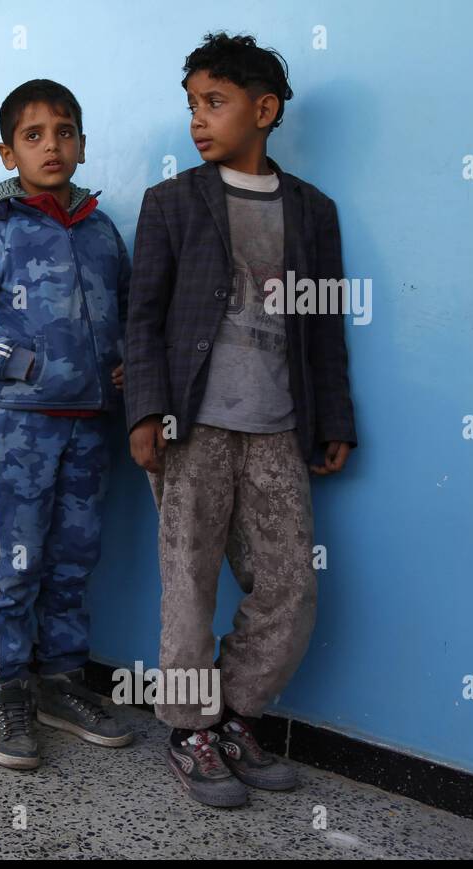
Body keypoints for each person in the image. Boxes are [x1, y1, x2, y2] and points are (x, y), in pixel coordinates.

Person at [126, 33, 357, 806]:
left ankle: (234, 717)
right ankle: (189, 731)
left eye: (215, 103)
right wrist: (145, 413)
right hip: (190, 427)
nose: (199, 119)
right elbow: (144, 319)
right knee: (186, 584)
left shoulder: (312, 212)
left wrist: (334, 417)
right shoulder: (173, 203)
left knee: (291, 585)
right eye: (192, 104)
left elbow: (323, 328)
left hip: (276, 426)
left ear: (264, 110)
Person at [0, 79, 134, 768]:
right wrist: (22, 365)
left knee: (74, 559)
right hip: (20, 427)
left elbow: (131, 317)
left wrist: (123, 368)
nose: (52, 145)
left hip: (89, 427)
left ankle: (60, 681)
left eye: (64, 131)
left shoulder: (104, 230)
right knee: (15, 562)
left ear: (80, 141)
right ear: (7, 150)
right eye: (33, 134)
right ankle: (9, 690)